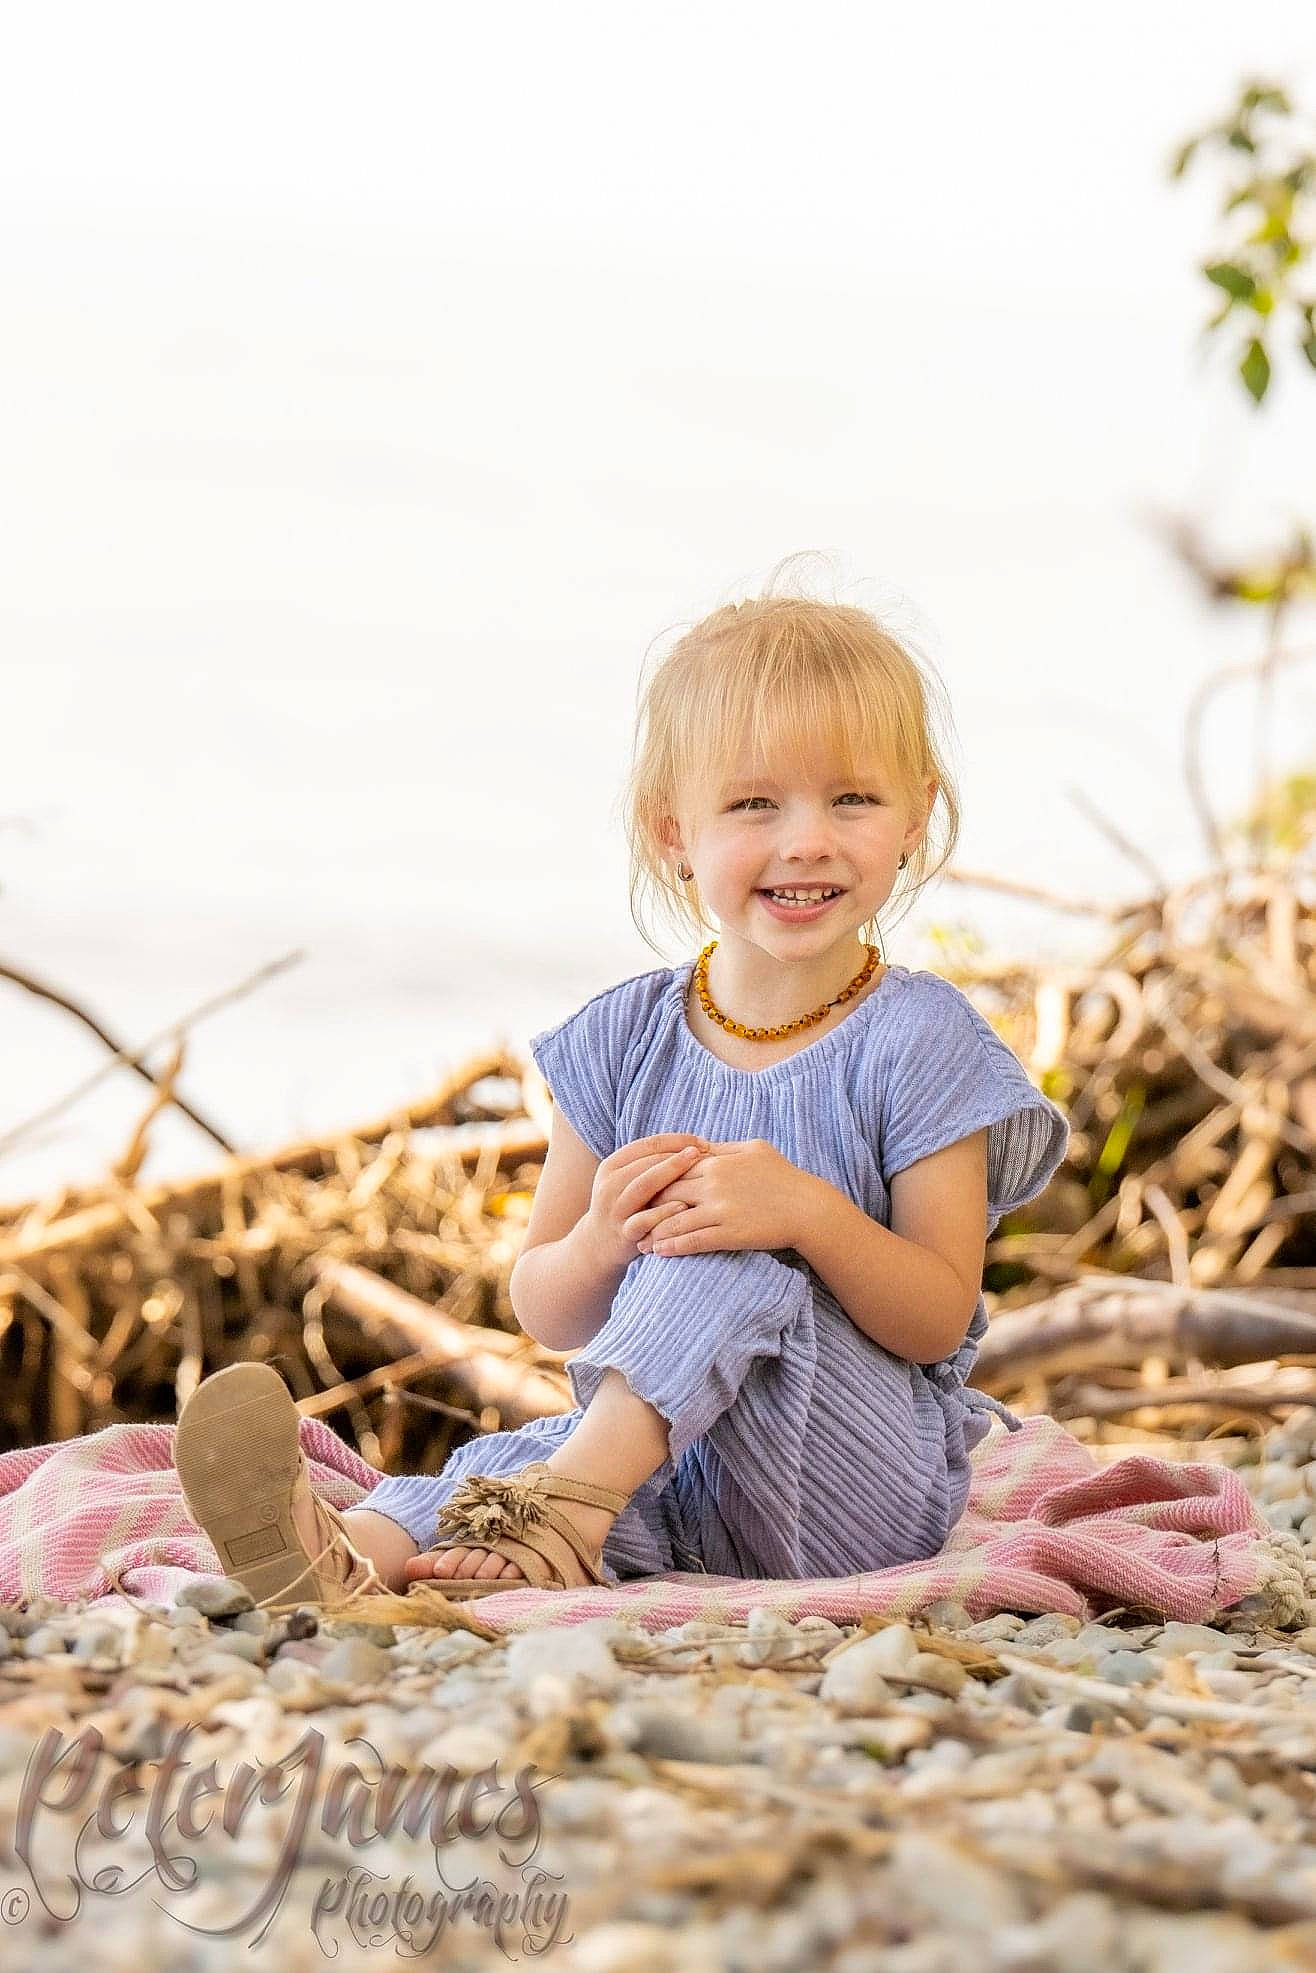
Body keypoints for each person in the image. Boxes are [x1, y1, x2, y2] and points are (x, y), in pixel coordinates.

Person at [174, 572, 1070, 1610]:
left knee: (732, 1245)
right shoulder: (618, 1040)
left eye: (852, 798)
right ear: (672, 833)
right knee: (508, 1461)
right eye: (752, 804)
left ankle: (562, 1507)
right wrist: (600, 1237)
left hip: (855, 1483)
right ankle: (340, 1554)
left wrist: (808, 1214)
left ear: (915, 813)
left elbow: (935, 1316)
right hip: (666, 1478)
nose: (807, 839)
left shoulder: (919, 1041)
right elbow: (547, 1307)